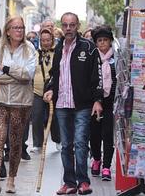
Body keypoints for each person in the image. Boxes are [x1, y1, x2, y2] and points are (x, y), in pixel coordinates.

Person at [43, 12, 103, 195]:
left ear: (77, 26)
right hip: (62, 104)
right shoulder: (59, 47)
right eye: (65, 25)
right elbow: (55, 74)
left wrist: (98, 100)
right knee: (66, 145)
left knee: (81, 143)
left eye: (72, 25)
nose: (68, 28)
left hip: (82, 105)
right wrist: (51, 88)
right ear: (62, 26)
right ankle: (69, 182)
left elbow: (97, 77)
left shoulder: (89, 47)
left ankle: (83, 181)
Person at [0, 16, 36, 194]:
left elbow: (27, 75)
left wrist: (6, 69)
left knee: (15, 143)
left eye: (21, 28)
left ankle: (11, 179)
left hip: (21, 103)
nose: (19, 31)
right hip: (0, 100)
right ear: (7, 30)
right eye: (15, 28)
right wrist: (15, 75)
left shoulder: (29, 48)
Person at [90, 25, 116, 181]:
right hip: (94, 102)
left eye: (105, 40)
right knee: (94, 134)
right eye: (99, 40)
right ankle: (96, 159)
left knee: (108, 135)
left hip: (111, 102)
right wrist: (94, 99)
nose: (102, 43)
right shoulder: (92, 57)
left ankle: (106, 166)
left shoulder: (117, 58)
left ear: (110, 41)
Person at [31, 29, 60, 153]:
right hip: (36, 91)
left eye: (48, 40)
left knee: (53, 117)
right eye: (43, 40)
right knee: (36, 116)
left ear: (52, 40)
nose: (45, 42)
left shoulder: (57, 53)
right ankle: (37, 144)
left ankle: (58, 140)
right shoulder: (35, 53)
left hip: (51, 90)